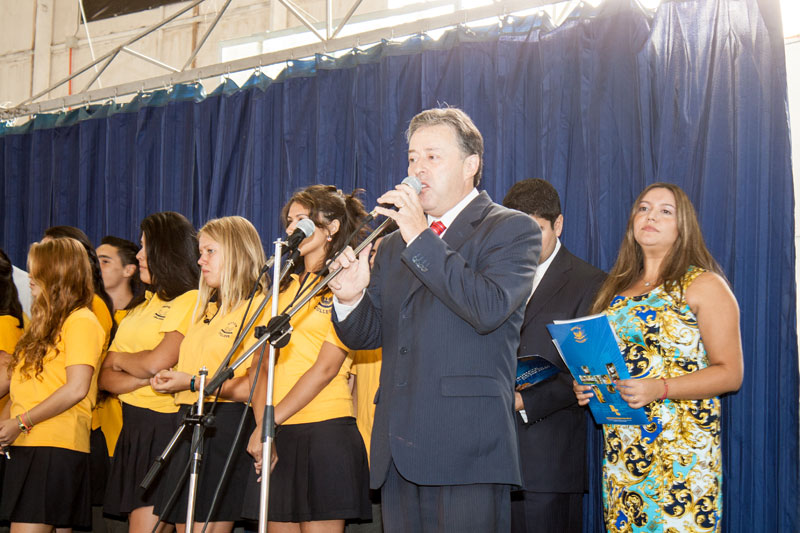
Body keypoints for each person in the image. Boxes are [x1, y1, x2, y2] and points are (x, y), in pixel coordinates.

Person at [329, 107, 540, 531]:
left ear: (471, 165)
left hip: (466, 447)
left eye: (432, 156)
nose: (417, 169)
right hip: (398, 448)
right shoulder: (391, 246)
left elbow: (488, 307)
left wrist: (419, 236)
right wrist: (349, 298)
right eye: (411, 158)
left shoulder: (511, 229)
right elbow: (369, 335)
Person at [573, 182, 744, 532]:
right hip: (625, 455)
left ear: (684, 227)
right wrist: (589, 385)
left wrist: (660, 388)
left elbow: (730, 374)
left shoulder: (703, 284)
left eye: (665, 211)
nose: (651, 216)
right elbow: (611, 365)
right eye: (644, 208)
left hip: (682, 457)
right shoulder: (614, 292)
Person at [243, 185, 371, 533]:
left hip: (325, 431)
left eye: (302, 219)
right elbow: (259, 366)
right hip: (275, 431)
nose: (291, 228)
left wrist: (268, 424)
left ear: (331, 228)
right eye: (289, 221)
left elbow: (327, 367)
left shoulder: (345, 282)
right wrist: (264, 428)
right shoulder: (280, 288)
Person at [150, 215, 268, 532]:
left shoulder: (257, 307)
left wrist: (191, 382)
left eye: (210, 251)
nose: (200, 260)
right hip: (189, 421)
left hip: (224, 425)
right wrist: (174, 378)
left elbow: (253, 385)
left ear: (236, 252)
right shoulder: (208, 310)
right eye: (200, 252)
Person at [502, 178, 605, 533]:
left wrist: (521, 401)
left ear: (558, 225)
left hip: (547, 463)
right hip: (488, 462)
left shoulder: (590, 282)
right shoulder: (493, 276)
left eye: (537, 231)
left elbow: (591, 373)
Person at [100, 212, 200, 533]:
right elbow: (104, 376)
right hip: (134, 430)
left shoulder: (191, 299)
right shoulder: (138, 307)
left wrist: (122, 361)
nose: (140, 255)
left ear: (166, 251)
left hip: (166, 427)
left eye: (146, 247)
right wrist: (144, 375)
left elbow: (159, 361)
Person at [0, 238, 105, 531]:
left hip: (53, 446)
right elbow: (25, 385)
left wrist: (20, 422)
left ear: (57, 273)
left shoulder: (81, 321)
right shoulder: (43, 324)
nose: (30, 277)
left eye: (37, 270)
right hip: (31, 443)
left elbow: (76, 388)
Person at [97, 236, 146, 322]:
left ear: (128, 270)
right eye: (94, 261)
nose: (95, 267)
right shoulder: (87, 311)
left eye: (105, 261)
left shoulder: (143, 316)